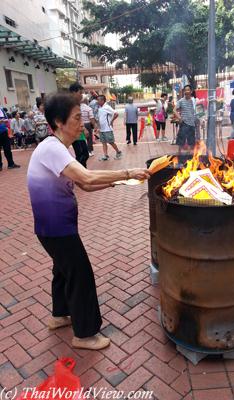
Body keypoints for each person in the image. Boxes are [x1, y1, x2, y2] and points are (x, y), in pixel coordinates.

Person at [27, 93, 150, 350]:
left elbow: (83, 184)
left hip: (54, 227)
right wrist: (127, 171)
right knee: (80, 274)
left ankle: (59, 315)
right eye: (75, 118)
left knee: (63, 270)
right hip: (56, 229)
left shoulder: (61, 148)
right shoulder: (51, 148)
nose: (81, 123)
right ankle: (85, 335)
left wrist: (118, 181)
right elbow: (86, 176)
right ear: (59, 122)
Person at [69, 82, 89, 168]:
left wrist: (83, 128)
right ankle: (80, 174)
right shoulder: (68, 104)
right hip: (73, 132)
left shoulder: (77, 104)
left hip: (79, 132)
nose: (81, 95)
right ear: (73, 92)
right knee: (80, 155)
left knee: (85, 154)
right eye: (80, 93)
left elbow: (79, 117)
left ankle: (83, 172)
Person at [97, 95, 121, 161]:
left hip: (107, 129)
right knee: (103, 143)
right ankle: (105, 155)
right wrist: (98, 127)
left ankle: (118, 152)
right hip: (101, 129)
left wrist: (111, 121)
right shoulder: (100, 108)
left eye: (98, 100)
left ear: (102, 100)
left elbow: (116, 113)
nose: (97, 101)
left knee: (111, 142)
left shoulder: (107, 107)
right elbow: (100, 118)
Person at [174, 85, 196, 152]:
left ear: (191, 91)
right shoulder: (181, 101)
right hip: (184, 124)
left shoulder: (193, 101)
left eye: (188, 90)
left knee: (191, 142)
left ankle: (188, 157)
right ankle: (179, 155)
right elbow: (174, 110)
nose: (186, 91)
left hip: (192, 124)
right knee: (181, 141)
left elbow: (196, 111)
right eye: (185, 90)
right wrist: (179, 117)